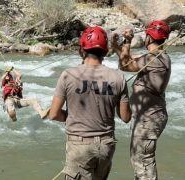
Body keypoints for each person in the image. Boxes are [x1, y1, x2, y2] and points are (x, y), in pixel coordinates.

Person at [48, 26, 132, 180]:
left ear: (82, 50)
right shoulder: (118, 77)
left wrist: (71, 116)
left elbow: (53, 114)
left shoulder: (67, 75)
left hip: (79, 146)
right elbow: (126, 117)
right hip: (106, 147)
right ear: (105, 51)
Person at [111, 20, 178, 180]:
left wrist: (127, 41)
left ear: (149, 37)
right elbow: (128, 62)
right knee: (140, 160)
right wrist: (115, 47)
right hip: (151, 116)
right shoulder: (158, 57)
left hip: (149, 119)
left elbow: (126, 65)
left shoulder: (154, 59)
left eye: (146, 34)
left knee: (142, 162)